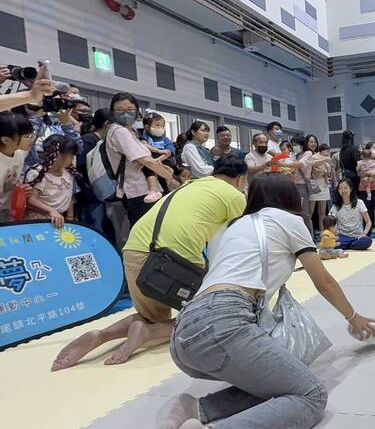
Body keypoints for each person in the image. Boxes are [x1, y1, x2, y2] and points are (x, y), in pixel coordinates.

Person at [165, 173, 375, 429]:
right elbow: (324, 282)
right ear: (289, 198)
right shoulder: (289, 220)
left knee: (281, 381)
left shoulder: (232, 227)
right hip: (224, 321)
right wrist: (353, 317)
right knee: (311, 395)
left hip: (182, 332)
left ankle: (196, 408)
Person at [51, 156, 248, 371]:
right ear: (240, 179)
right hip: (176, 262)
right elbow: (238, 239)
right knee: (215, 316)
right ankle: (148, 333)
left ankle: (102, 335)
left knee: (152, 318)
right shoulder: (234, 196)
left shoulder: (190, 185)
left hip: (134, 250)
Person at [105, 93, 176, 225]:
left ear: (137, 111)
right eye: (119, 110)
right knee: (146, 230)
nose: (125, 114)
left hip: (143, 189)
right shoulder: (119, 131)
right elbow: (145, 160)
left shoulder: (130, 131)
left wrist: (161, 168)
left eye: (130, 109)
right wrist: (168, 177)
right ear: (112, 112)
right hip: (137, 191)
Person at [23, 135, 77, 228]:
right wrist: (51, 210)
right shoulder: (37, 173)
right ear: (58, 155)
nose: (73, 159)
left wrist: (70, 217)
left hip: (60, 219)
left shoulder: (68, 172)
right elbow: (31, 200)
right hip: (37, 221)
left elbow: (69, 196)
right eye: (71, 155)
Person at [75, 109, 113, 236]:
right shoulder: (88, 140)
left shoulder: (106, 142)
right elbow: (82, 168)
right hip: (91, 195)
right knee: (95, 230)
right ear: (107, 124)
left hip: (103, 193)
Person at [0, 111, 33, 222]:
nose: (32, 139)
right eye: (27, 137)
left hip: (8, 210)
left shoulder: (19, 153)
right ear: (6, 140)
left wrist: (20, 188)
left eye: (32, 135)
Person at [140, 112, 176, 203]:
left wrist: (157, 160)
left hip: (164, 162)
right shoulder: (145, 137)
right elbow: (144, 145)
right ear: (147, 127)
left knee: (164, 183)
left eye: (163, 126)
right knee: (148, 169)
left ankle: (167, 194)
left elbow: (168, 153)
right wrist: (158, 151)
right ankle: (153, 190)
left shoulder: (166, 139)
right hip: (152, 162)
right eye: (157, 125)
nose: (161, 128)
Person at [329, 178, 373, 250]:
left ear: (351, 189)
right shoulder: (336, 206)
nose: (343, 191)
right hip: (342, 237)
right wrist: (332, 235)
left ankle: (348, 246)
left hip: (357, 237)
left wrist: (364, 234)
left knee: (367, 241)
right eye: (340, 189)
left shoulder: (359, 203)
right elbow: (330, 222)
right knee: (332, 242)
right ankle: (351, 246)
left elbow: (368, 222)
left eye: (345, 188)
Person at [310, 142, 333, 235]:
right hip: (314, 185)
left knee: (322, 211)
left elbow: (329, 171)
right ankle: (309, 232)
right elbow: (313, 166)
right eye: (326, 151)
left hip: (324, 185)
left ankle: (322, 231)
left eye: (328, 151)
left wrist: (326, 172)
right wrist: (325, 160)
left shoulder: (327, 158)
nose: (327, 152)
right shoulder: (314, 157)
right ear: (321, 150)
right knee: (310, 211)